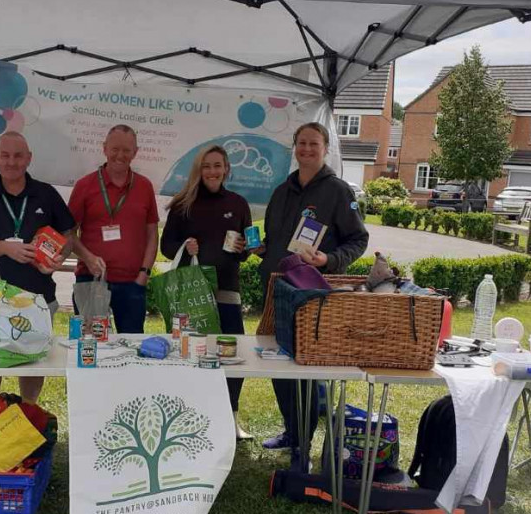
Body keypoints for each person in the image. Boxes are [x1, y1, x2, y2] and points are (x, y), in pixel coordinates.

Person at [257, 122, 369, 454]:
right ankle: (293, 432)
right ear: (295, 147)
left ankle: (304, 439)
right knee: (279, 364)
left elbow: (358, 239)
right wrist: (263, 250)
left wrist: (330, 259)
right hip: (278, 293)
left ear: (325, 149)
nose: (307, 149)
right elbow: (277, 241)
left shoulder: (338, 191)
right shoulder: (281, 191)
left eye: (314, 144)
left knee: (305, 367)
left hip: (313, 295)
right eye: (301, 143)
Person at [0, 131, 76, 409]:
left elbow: (69, 234)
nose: (11, 162)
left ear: (28, 158)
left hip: (38, 296)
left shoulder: (46, 194)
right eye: (5, 155)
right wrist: (4, 247)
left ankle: (28, 411)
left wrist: (57, 258)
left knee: (33, 361)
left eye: (17, 156)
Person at [161, 145, 254, 440]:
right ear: (198, 170)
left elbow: (246, 250)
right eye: (207, 166)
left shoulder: (238, 204)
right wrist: (185, 246)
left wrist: (244, 250)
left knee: (233, 355)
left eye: (217, 166)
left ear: (227, 168)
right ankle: (190, 415)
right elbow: (166, 247)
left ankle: (231, 416)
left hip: (227, 289)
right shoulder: (183, 205)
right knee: (190, 356)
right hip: (193, 293)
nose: (212, 172)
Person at [68, 124, 159, 334]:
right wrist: (88, 257)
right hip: (91, 281)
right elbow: (68, 233)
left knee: (131, 350)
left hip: (132, 284)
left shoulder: (144, 186)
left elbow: (152, 233)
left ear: (135, 152)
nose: (120, 155)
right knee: (89, 348)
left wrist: (144, 274)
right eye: (115, 149)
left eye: (127, 150)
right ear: (104, 148)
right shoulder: (85, 186)